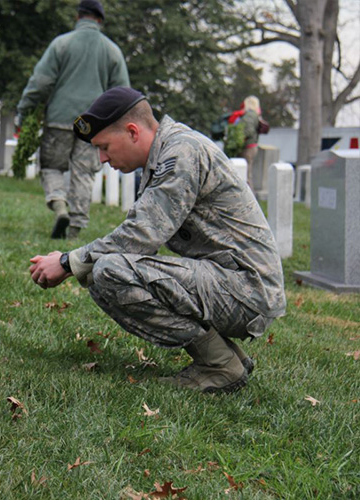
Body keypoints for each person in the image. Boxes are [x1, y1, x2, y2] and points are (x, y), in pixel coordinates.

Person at [29, 87, 286, 393]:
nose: (101, 158)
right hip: (235, 283)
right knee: (100, 270)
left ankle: (218, 366)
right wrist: (77, 260)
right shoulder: (168, 151)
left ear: (133, 131)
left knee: (109, 271)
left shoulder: (181, 152)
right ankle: (228, 358)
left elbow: (140, 236)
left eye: (105, 146)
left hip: (248, 289)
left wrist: (66, 262)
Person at [16, 0, 129, 240]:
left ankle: (59, 207)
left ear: (78, 17)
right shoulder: (111, 50)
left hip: (59, 117)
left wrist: (24, 111)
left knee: (51, 167)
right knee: (83, 173)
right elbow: (121, 92)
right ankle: (74, 231)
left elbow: (41, 82)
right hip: (92, 124)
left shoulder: (61, 44)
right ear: (99, 20)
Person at [236, 96, 262, 188]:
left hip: (248, 147)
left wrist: (241, 137)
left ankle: (249, 198)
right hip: (253, 146)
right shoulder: (255, 115)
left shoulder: (249, 115)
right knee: (248, 173)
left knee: (246, 174)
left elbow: (249, 130)